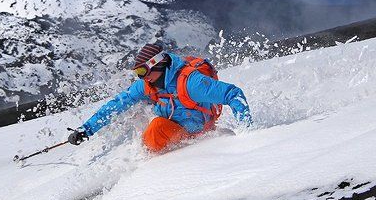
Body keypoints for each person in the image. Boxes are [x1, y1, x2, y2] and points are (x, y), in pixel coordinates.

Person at [68, 43, 252, 152]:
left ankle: (148, 169)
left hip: (197, 133)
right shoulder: (146, 84)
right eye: (137, 73)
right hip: (173, 128)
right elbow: (117, 104)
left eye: (142, 71)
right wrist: (86, 130)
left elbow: (232, 94)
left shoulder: (190, 83)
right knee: (135, 113)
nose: (141, 77)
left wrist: (249, 133)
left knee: (154, 129)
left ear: (158, 65)